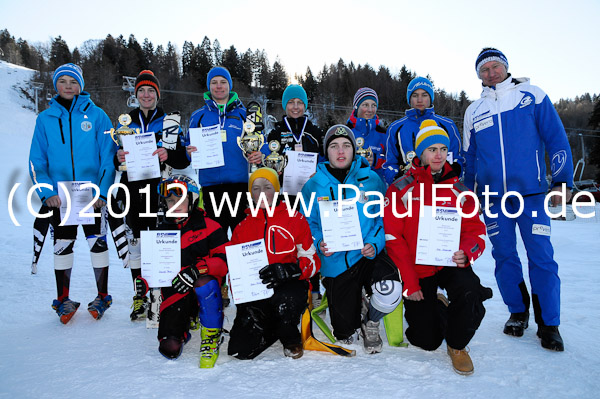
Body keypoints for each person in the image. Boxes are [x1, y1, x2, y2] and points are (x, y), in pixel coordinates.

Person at [463, 48, 574, 351]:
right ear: (479, 76)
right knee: (504, 256)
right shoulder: (474, 110)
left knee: (541, 257)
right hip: (492, 199)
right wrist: (467, 193)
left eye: (495, 66)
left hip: (532, 194)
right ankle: (518, 312)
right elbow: (469, 158)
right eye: (484, 70)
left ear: (506, 67)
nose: (491, 73)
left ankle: (549, 324)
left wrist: (563, 179)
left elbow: (556, 138)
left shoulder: (531, 95)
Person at [384, 120, 488, 375]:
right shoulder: (401, 187)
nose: (438, 154)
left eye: (443, 148)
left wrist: (466, 252)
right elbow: (393, 238)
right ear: (420, 154)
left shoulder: (459, 189)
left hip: (449, 260)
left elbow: (476, 231)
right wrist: (410, 283)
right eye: (432, 149)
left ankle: (457, 344)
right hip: (418, 268)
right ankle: (439, 306)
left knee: (469, 290)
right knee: (426, 341)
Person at [300, 125, 402, 354]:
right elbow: (308, 223)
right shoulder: (313, 185)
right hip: (336, 260)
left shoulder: (372, 180)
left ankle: (371, 319)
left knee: (391, 290)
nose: (341, 151)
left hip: (368, 255)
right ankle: (354, 303)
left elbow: (382, 219)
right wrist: (319, 243)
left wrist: (375, 244)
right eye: (334, 146)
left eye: (346, 145)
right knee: (345, 333)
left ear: (354, 149)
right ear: (326, 152)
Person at [28, 63, 116, 323]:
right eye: (63, 81)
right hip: (61, 199)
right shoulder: (44, 119)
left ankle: (103, 295)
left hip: (91, 198)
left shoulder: (98, 116)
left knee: (97, 244)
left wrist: (101, 192)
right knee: (62, 246)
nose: (68, 86)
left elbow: (108, 157)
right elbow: (36, 161)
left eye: (73, 81)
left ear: (81, 85)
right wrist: (46, 193)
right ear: (56, 85)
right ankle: (63, 299)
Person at [114, 70, 189, 321]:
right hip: (133, 188)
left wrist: (170, 155)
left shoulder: (169, 121)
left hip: (160, 189)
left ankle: (161, 291)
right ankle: (140, 294)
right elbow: (115, 159)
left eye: (151, 91)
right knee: (135, 241)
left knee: (161, 240)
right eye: (142, 91)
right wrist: (118, 158)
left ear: (157, 94)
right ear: (136, 95)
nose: (146, 95)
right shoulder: (126, 122)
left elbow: (182, 158)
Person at [134, 174, 228, 368]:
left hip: (202, 287)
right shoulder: (161, 231)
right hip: (176, 292)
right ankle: (188, 319)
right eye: (170, 200)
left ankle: (212, 335)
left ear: (192, 200)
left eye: (180, 200)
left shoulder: (211, 226)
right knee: (170, 348)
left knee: (205, 284)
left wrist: (196, 270)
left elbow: (224, 261)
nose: (175, 204)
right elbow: (155, 267)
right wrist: (144, 282)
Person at [227, 168, 320, 360]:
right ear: (250, 193)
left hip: (289, 286)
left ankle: (289, 336)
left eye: (267, 187)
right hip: (257, 289)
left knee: (284, 304)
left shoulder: (295, 218)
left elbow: (312, 261)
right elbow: (234, 268)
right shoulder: (242, 227)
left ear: (277, 190)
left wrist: (292, 270)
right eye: (256, 188)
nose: (261, 193)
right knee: (240, 351)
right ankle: (272, 328)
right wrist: (239, 292)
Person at [266, 84, 325, 306]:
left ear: (306, 105)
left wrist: (316, 167)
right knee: (288, 236)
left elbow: (325, 160)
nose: (295, 106)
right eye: (291, 102)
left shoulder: (315, 131)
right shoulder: (275, 132)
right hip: (286, 193)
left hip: (310, 192)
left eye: (300, 103)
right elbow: (268, 161)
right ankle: (287, 282)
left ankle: (315, 286)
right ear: (284, 105)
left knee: (310, 235)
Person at [186, 66, 262, 235]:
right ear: (209, 86)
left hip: (239, 188)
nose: (218, 86)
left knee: (241, 238)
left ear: (230, 85)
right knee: (214, 240)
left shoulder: (245, 114)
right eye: (214, 82)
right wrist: (189, 152)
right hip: (211, 188)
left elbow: (259, 140)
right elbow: (187, 145)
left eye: (223, 82)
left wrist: (260, 153)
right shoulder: (198, 116)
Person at [383, 77, 463, 185]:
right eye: (415, 95)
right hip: (408, 191)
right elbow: (389, 164)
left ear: (430, 98)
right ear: (409, 99)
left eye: (424, 95)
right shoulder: (395, 128)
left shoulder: (448, 125)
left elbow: (458, 160)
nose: (419, 100)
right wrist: (399, 180)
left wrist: (447, 177)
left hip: (441, 189)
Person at [346, 87, 387, 181]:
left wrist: (376, 161)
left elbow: (393, 163)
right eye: (365, 105)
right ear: (356, 107)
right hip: (350, 189)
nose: (370, 110)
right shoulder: (347, 132)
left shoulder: (384, 134)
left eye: (373, 105)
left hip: (377, 189)